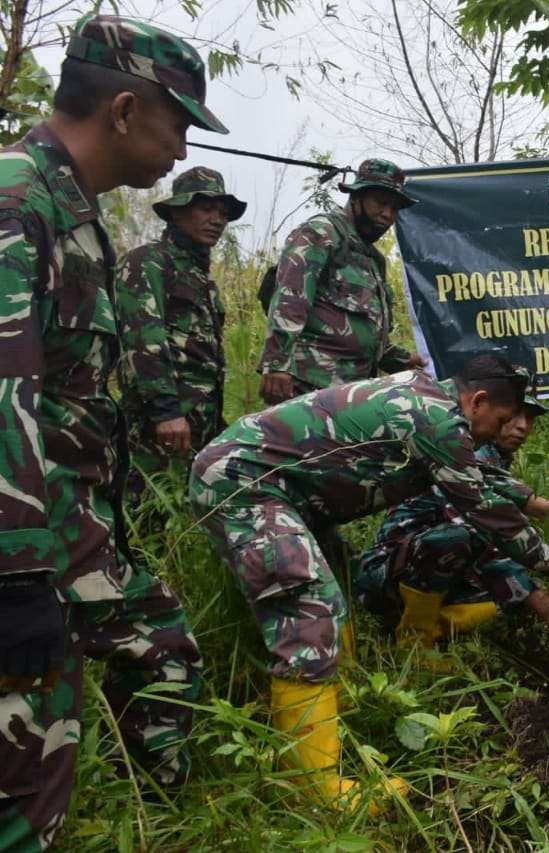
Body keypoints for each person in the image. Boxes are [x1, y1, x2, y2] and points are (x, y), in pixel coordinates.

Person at [0, 14, 221, 848]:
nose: (184, 144)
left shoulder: (75, 210)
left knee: (159, 643)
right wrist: (16, 580)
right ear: (125, 110)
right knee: (25, 772)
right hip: (19, 546)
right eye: (181, 120)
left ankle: (163, 814)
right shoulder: (18, 204)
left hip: (66, 524)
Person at [190, 354, 549, 809]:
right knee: (308, 606)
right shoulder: (435, 417)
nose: (498, 434)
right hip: (244, 482)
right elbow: (480, 505)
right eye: (498, 421)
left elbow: (471, 473)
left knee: (332, 580)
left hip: (285, 489)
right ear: (476, 401)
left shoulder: (430, 405)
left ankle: (340, 702)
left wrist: (534, 500)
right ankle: (315, 791)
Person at [356, 366, 549, 645]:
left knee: (506, 603)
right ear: (485, 405)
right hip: (388, 573)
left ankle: (430, 625)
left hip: (427, 567)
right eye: (515, 415)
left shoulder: (494, 455)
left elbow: (511, 505)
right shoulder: (459, 449)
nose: (523, 426)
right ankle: (414, 642)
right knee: (469, 549)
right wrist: (545, 601)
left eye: (530, 418)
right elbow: (481, 534)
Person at [116, 166, 246, 498]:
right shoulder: (148, 262)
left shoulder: (201, 278)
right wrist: (165, 412)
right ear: (176, 212)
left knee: (187, 512)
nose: (217, 220)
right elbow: (142, 339)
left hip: (198, 423)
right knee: (148, 508)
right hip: (160, 425)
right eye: (205, 209)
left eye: (223, 213)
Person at [258, 157, 425, 405]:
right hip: (308, 388)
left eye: (394, 208)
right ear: (356, 198)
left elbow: (368, 336)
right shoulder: (321, 233)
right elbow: (290, 299)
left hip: (352, 394)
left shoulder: (373, 259)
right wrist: (276, 364)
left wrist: (405, 361)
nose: (387, 215)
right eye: (380, 203)